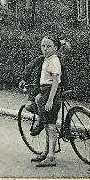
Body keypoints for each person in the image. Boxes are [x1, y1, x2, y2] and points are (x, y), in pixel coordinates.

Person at [32, 36, 63, 168]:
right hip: (45, 91)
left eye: (48, 46)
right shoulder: (47, 59)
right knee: (46, 125)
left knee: (51, 126)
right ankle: (46, 152)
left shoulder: (54, 61)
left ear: (55, 48)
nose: (45, 49)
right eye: (43, 46)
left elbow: (55, 82)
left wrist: (50, 100)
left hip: (51, 92)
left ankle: (51, 156)